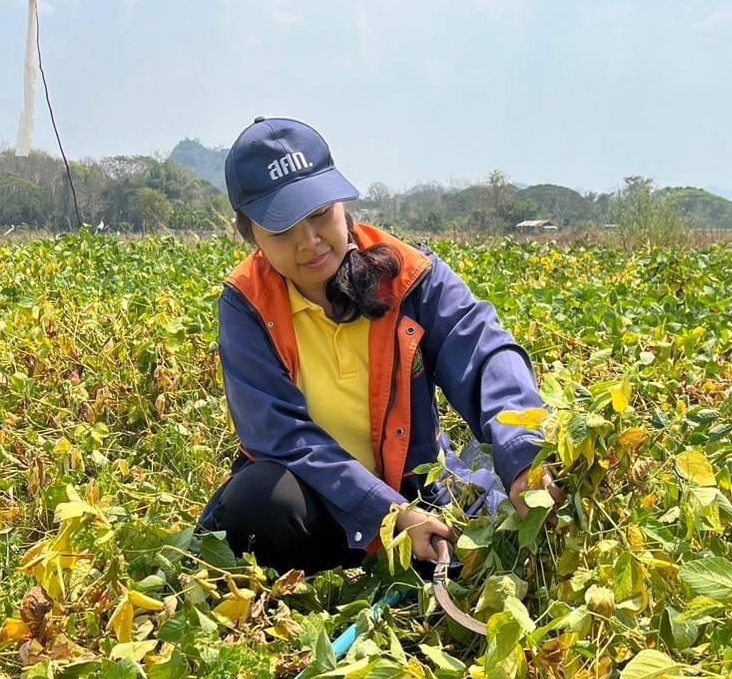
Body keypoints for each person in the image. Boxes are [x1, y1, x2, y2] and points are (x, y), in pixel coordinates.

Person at [198, 116, 559, 574]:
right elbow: (281, 438)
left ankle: (403, 559)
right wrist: (387, 516)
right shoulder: (247, 304)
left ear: (340, 203)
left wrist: (522, 452)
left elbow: (485, 355)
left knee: (485, 548)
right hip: (323, 503)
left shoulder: (409, 275)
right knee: (257, 504)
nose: (309, 242)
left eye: (318, 215)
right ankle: (344, 572)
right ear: (250, 234)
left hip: (416, 496)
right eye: (283, 230)